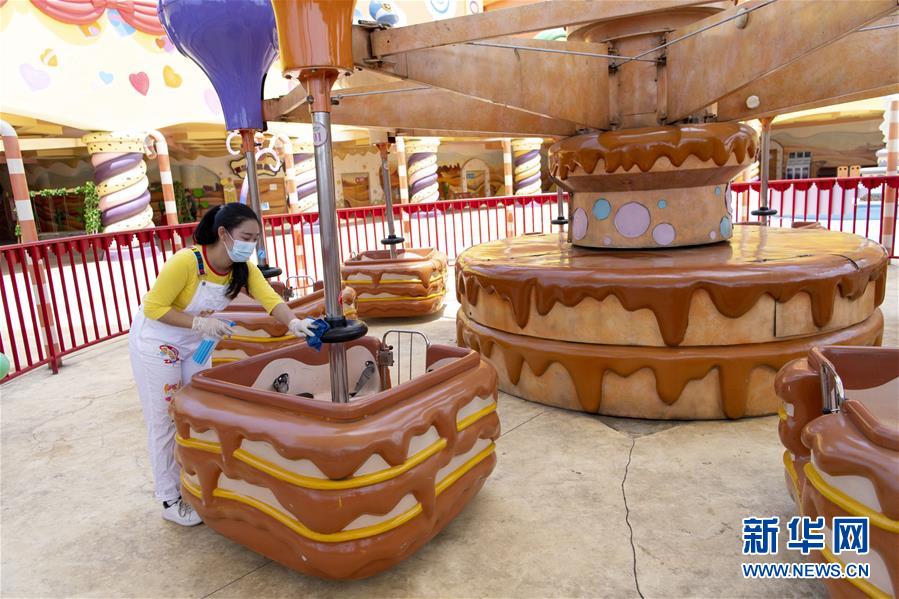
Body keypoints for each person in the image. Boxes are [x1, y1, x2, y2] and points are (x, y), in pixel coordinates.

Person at [129, 203, 315, 526]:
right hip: (158, 342)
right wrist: (199, 323)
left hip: (195, 344)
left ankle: (195, 479)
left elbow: (270, 300)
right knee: (164, 418)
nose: (250, 245)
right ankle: (169, 497)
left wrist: (295, 322)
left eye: (255, 239)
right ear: (223, 233)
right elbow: (154, 307)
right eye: (246, 237)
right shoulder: (186, 262)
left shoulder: (242, 269)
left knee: (201, 409)